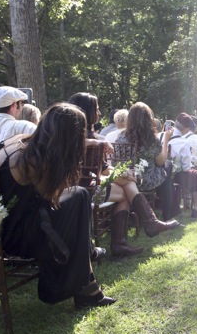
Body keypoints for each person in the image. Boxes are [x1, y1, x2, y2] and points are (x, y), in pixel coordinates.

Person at [0, 103, 115, 308]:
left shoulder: (18, 143)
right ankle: (82, 276)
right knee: (79, 198)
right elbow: (52, 199)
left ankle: (88, 278)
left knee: (78, 197)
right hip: (6, 236)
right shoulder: (35, 161)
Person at [69, 93, 177, 257]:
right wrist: (124, 174)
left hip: (85, 187)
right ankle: (131, 236)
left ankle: (132, 235)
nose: (99, 114)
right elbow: (103, 171)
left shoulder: (93, 137)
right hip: (83, 192)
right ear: (87, 111)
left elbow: (106, 169)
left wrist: (123, 172)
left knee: (127, 185)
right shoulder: (88, 140)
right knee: (129, 186)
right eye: (97, 110)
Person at [114, 102, 181, 226]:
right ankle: (169, 215)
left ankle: (167, 213)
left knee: (166, 172)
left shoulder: (121, 136)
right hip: (145, 181)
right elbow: (160, 161)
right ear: (148, 119)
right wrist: (166, 140)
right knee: (167, 168)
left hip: (125, 179)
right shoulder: (151, 138)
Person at [168, 113, 197, 218]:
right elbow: (186, 167)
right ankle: (196, 209)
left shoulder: (162, 135)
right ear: (187, 128)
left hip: (161, 171)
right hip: (175, 175)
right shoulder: (184, 142)